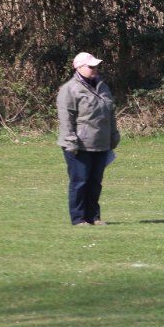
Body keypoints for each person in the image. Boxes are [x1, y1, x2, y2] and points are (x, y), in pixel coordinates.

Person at [56, 52, 120, 226]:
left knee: (95, 182)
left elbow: (110, 113)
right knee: (80, 182)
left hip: (101, 143)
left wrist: (114, 135)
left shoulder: (103, 86)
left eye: (96, 66)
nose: (95, 69)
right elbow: (66, 118)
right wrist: (71, 141)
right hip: (79, 145)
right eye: (91, 66)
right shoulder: (69, 89)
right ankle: (79, 218)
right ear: (79, 68)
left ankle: (94, 217)